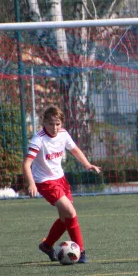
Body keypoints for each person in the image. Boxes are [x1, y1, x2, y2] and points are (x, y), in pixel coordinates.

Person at [22, 106, 101, 263]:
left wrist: (87, 164)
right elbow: (26, 164)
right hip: (45, 182)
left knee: (65, 219)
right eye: (51, 124)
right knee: (71, 212)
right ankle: (81, 251)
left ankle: (47, 245)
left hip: (61, 180)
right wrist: (31, 183)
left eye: (58, 124)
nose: (55, 128)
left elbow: (75, 150)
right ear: (44, 122)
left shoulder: (63, 134)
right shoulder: (38, 139)